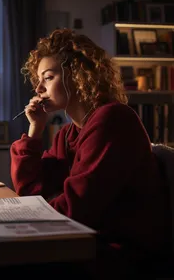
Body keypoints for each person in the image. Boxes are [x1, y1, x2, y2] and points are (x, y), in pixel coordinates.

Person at [10, 29, 172, 278]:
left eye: (48, 77)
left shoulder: (113, 119)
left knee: (7, 264)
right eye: (38, 79)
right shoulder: (68, 134)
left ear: (77, 76)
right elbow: (31, 190)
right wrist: (35, 130)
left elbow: (77, 209)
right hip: (86, 242)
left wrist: (27, 215)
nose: (38, 88)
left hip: (120, 255)